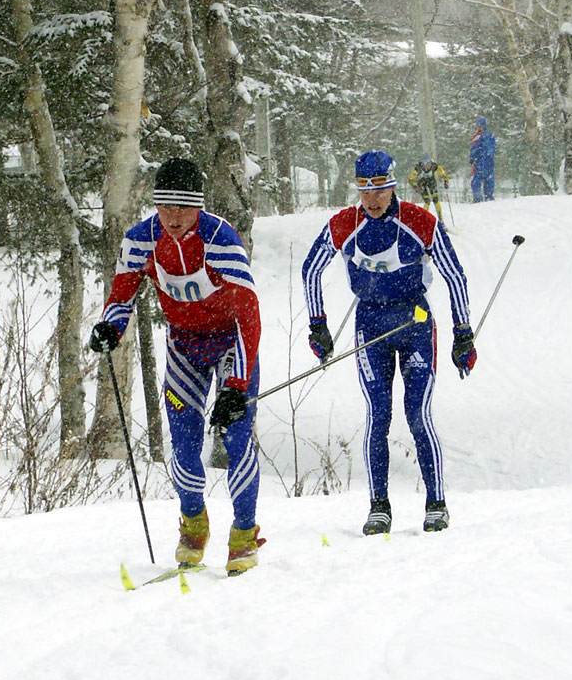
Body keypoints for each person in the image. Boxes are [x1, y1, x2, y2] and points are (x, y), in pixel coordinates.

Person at [89, 157, 265, 575]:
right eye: (165, 207)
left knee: (237, 436)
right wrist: (110, 327)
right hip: (184, 346)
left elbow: (249, 314)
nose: (173, 218)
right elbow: (122, 292)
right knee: (184, 442)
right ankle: (193, 525)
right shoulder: (142, 239)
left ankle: (243, 535)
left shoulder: (220, 239)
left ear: (198, 207)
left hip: (231, 343)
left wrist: (237, 385)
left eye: (182, 209)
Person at [301, 149, 476, 535]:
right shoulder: (345, 224)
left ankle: (436, 503)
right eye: (364, 190)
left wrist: (463, 334)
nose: (372, 199)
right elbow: (310, 269)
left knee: (417, 413)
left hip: (414, 323)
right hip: (371, 327)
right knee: (378, 415)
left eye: (379, 189)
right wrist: (318, 326)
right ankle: (379, 506)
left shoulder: (419, 222)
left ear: (393, 186)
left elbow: (456, 276)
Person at [407, 156, 450, 226]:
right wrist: (415, 187)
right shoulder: (418, 168)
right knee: (427, 201)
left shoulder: (434, 166)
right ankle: (424, 219)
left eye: (428, 164)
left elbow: (442, 173)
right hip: (422, 184)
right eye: (425, 165)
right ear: (422, 164)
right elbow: (411, 179)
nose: (427, 166)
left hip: (432, 183)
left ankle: (441, 220)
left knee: (436, 200)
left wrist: (446, 181)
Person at [470, 116, 495, 202]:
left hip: (480, 162)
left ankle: (477, 198)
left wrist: (472, 157)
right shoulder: (490, 135)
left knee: (476, 181)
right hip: (489, 162)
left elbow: (474, 148)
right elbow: (492, 149)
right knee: (489, 181)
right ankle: (489, 197)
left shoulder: (478, 136)